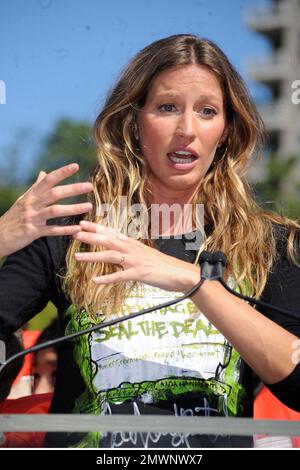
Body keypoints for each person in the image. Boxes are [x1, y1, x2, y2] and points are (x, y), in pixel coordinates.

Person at [0, 34, 299, 448]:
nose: (187, 129)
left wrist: (192, 282)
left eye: (207, 111)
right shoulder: (70, 232)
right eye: (167, 108)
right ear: (133, 122)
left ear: (227, 130)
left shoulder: (270, 244)